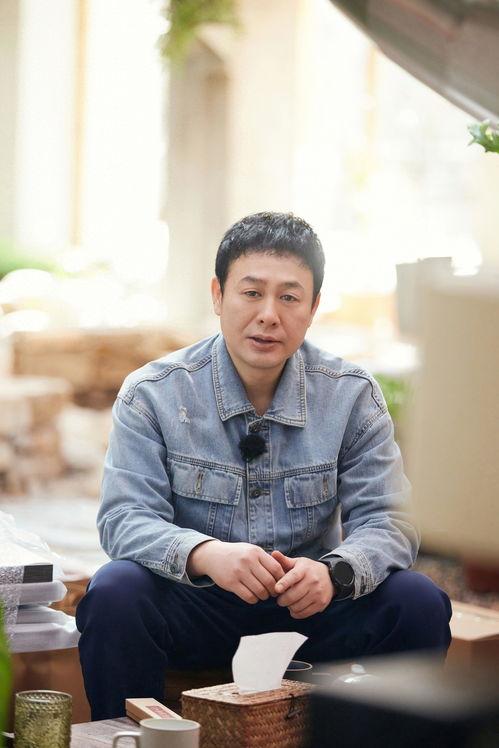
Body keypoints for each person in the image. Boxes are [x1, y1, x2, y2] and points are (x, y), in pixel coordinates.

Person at [76, 212, 452, 720]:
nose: (269, 315)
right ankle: (131, 736)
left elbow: (391, 520)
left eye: (289, 297)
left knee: (418, 600)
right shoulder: (153, 393)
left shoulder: (350, 396)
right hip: (197, 607)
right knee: (115, 591)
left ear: (313, 307)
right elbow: (124, 518)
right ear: (218, 295)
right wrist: (205, 554)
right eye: (251, 293)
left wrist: (335, 573)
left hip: (311, 613)